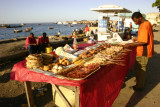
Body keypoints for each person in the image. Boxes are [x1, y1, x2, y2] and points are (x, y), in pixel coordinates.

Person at [128, 12, 154, 91]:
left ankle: (139, 86)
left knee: (140, 69)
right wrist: (136, 38)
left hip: (143, 51)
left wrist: (129, 45)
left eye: (135, 21)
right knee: (138, 68)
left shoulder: (145, 25)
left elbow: (144, 41)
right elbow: (143, 37)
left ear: (140, 18)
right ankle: (139, 82)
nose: (135, 23)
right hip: (141, 50)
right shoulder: (145, 24)